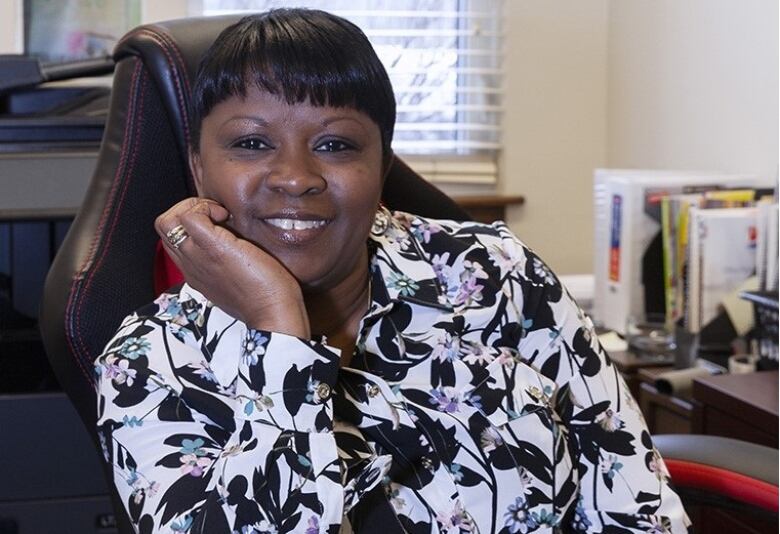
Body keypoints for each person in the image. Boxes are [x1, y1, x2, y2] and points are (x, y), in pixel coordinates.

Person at [94, 9, 689, 534]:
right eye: (251, 144)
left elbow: (638, 504)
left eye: (334, 146)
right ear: (199, 168)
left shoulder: (495, 273)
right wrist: (279, 330)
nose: (295, 177)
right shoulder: (149, 365)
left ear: (382, 167)